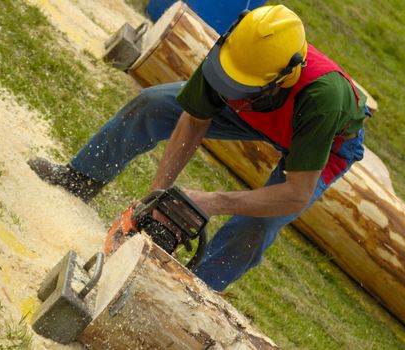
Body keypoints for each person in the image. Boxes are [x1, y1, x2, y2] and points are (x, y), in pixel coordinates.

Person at [28, 5, 370, 292]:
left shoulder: (324, 98)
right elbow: (193, 119)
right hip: (258, 111)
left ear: (285, 77)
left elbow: (296, 193)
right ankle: (82, 177)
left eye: (242, 86)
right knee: (153, 103)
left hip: (324, 140)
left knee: (257, 225)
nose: (231, 90)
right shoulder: (238, 48)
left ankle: (194, 289)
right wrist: (158, 196)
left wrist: (212, 201)